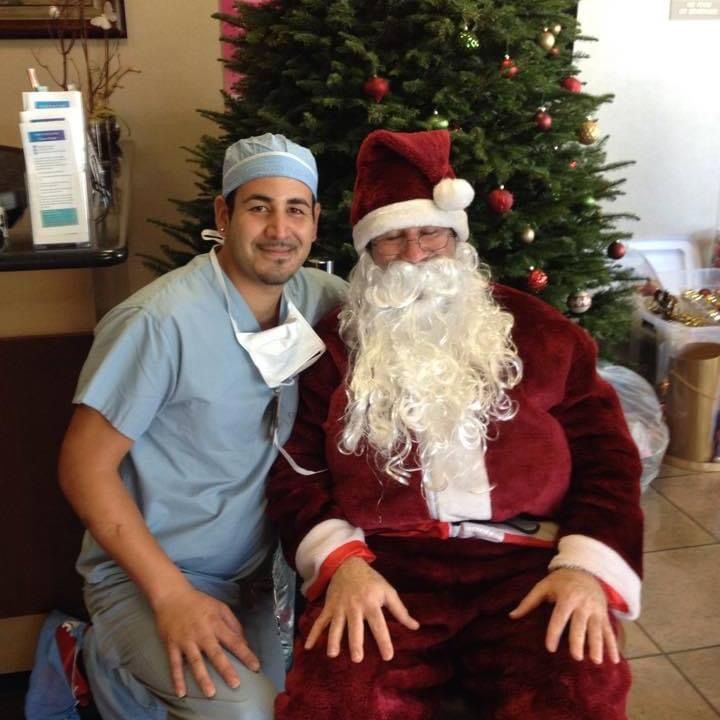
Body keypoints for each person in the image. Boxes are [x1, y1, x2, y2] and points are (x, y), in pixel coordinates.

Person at [266, 129, 643, 720]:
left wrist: (585, 567)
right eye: (392, 238)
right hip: (388, 568)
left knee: (574, 694)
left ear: (457, 238)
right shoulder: (330, 348)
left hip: (527, 564)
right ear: (367, 252)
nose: (415, 254)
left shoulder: (540, 332)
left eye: (430, 234)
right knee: (336, 700)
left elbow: (608, 457)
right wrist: (341, 565)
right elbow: (296, 473)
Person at [57, 133, 347, 720]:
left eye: (295, 210)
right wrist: (170, 596)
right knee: (249, 713)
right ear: (223, 214)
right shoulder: (159, 322)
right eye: (259, 207)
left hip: (257, 577)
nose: (279, 229)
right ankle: (103, 656)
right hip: (153, 576)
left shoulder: (322, 301)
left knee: (304, 702)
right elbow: (83, 469)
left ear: (315, 222)